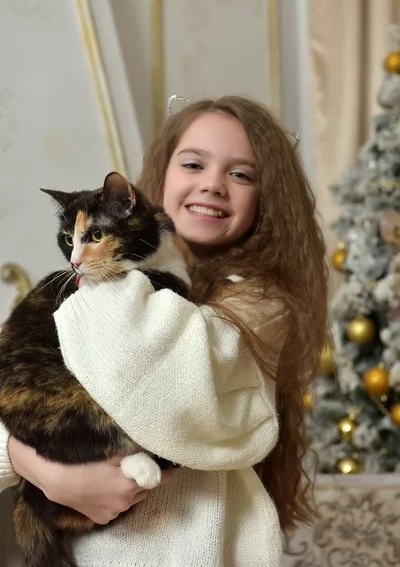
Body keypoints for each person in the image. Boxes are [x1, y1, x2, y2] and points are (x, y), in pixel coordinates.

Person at [0, 96, 328, 566]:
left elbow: (159, 381)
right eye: (194, 163)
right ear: (162, 176)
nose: (213, 184)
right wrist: (40, 469)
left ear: (266, 197)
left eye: (241, 174)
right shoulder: (107, 271)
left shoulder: (261, 302)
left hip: (200, 546)